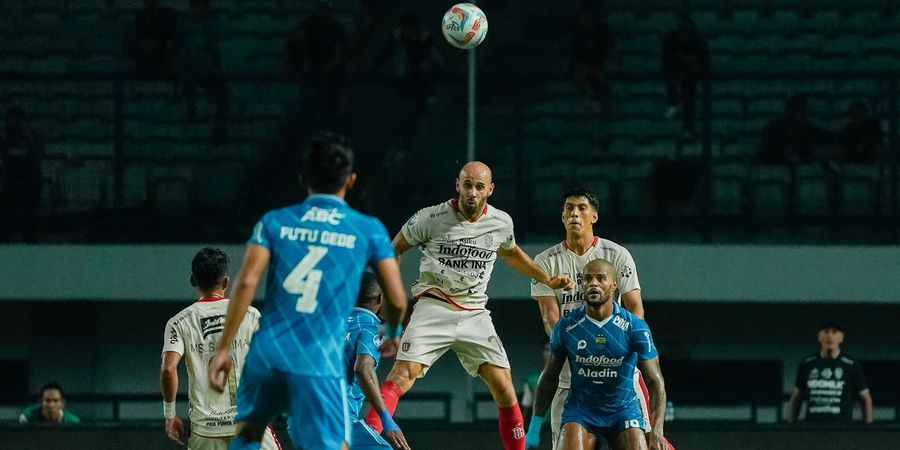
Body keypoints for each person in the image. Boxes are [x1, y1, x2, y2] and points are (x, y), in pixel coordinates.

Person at [207, 130, 408, 450]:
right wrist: (394, 330)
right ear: (352, 180)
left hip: (269, 353)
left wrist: (223, 348)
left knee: (247, 434)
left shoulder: (273, 222)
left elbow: (246, 282)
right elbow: (396, 297)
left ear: (303, 179)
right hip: (318, 360)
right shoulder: (367, 229)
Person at [365, 161, 575, 450]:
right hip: (433, 306)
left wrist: (548, 279)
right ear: (457, 185)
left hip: (475, 312)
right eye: (467, 185)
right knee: (402, 375)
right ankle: (369, 440)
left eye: (479, 186)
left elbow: (512, 254)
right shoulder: (429, 217)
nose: (472, 192)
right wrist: (391, 301)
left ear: (490, 190)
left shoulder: (501, 222)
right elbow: (394, 251)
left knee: (504, 386)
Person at [527, 187, 673, 450]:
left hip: (616, 367)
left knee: (653, 443)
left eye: (582, 208)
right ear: (562, 216)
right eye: (569, 208)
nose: (574, 213)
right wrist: (579, 342)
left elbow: (636, 309)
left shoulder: (617, 255)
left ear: (594, 216)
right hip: (571, 374)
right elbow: (551, 319)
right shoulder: (545, 262)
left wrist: (619, 344)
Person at [160, 247, 280, 449]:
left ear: (193, 281)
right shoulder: (251, 315)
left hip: (205, 432)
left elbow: (168, 369)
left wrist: (170, 415)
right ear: (226, 281)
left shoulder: (178, 322)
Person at [344, 271, 411, 450]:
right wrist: (387, 421)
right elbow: (363, 369)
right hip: (339, 419)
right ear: (381, 298)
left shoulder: (330, 323)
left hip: (301, 416)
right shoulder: (370, 326)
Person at [788, 321, 874, 424]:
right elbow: (797, 396)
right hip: (812, 428)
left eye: (834, 332)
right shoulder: (808, 363)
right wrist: (791, 425)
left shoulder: (851, 364)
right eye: (826, 332)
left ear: (841, 337)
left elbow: (865, 398)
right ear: (819, 337)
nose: (830, 336)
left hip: (841, 429)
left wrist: (869, 427)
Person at [174, 0, 231, 142]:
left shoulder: (213, 23)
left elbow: (215, 49)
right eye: (197, 6)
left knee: (225, 96)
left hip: (207, 71)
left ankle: (218, 131)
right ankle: (191, 110)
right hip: (189, 69)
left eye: (203, 6)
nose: (201, 9)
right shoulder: (183, 26)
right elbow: (177, 51)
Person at [661, 15, 709, 140]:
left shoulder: (699, 42)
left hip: (691, 75)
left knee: (689, 98)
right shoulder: (670, 39)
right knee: (671, 75)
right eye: (684, 34)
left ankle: (688, 129)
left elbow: (705, 65)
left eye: (689, 35)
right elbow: (666, 60)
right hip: (673, 70)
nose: (686, 38)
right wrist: (684, 61)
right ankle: (673, 103)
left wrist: (693, 65)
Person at [0, 105, 44, 243]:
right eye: (12, 119)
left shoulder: (31, 138)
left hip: (29, 185)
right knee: (5, 223)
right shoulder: (2, 139)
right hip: (8, 185)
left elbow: (39, 156)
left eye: (18, 119)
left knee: (30, 223)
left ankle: (31, 250)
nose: (15, 122)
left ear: (23, 121)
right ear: (7, 121)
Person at [569, 4, 618, 113]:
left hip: (600, 64)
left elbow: (612, 47)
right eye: (583, 19)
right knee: (580, 75)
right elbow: (576, 61)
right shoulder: (576, 36)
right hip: (586, 68)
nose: (586, 22)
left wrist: (614, 60)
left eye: (589, 19)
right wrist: (595, 72)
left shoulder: (602, 29)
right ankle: (589, 97)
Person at [757, 95, 831, 165]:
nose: (799, 113)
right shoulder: (773, 129)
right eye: (796, 110)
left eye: (802, 110)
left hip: (805, 168)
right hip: (777, 168)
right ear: (788, 111)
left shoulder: (811, 129)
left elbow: (824, 142)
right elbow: (766, 153)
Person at [130, 0, 177, 78]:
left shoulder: (168, 14)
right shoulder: (140, 16)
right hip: (146, 53)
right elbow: (140, 37)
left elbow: (170, 37)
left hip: (164, 52)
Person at [521, 343, 550, 450]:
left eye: (553, 349)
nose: (550, 353)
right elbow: (526, 406)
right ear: (542, 353)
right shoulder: (532, 380)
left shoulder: (569, 379)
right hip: (538, 428)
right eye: (547, 349)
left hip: (562, 427)